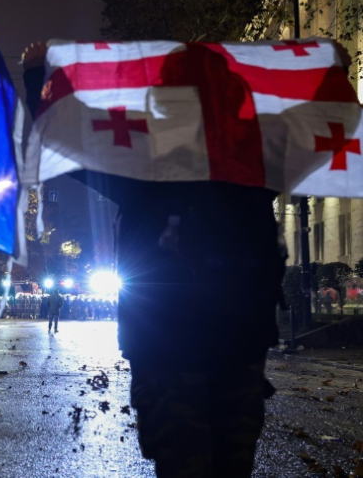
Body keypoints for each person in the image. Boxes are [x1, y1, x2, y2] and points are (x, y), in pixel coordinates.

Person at [22, 41, 290, 477]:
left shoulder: (141, 169)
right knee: (232, 465)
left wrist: (38, 75)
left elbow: (62, 139)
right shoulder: (255, 169)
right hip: (238, 339)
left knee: (183, 462)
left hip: (167, 343)